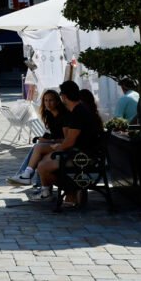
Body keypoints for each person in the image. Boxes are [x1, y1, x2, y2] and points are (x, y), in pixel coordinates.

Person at [36, 80, 102, 208]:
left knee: (43, 167)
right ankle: (71, 190)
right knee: (44, 161)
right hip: (82, 153)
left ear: (64, 97)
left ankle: (71, 190)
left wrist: (57, 147)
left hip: (84, 157)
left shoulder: (77, 113)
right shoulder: (79, 110)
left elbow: (69, 142)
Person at [6, 89, 65, 190]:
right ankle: (30, 178)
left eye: (51, 100)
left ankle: (25, 176)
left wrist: (47, 141)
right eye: (45, 100)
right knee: (37, 147)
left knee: (38, 148)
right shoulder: (50, 115)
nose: (48, 103)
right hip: (53, 144)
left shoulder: (63, 116)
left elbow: (65, 139)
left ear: (57, 101)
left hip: (63, 146)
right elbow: (52, 134)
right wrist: (44, 139)